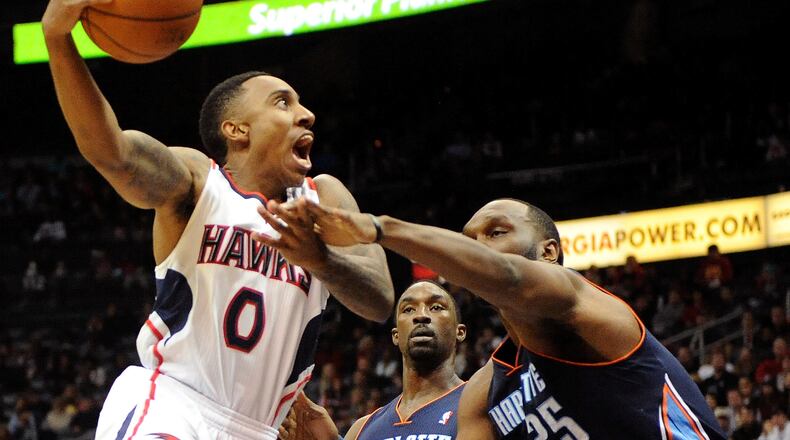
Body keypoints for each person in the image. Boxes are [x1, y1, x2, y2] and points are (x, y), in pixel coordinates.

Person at [41, 0, 394, 438]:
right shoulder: (198, 182)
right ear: (236, 129)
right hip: (173, 405)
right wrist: (58, 39)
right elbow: (112, 153)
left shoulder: (325, 198)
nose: (306, 114)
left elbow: (379, 301)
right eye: (283, 103)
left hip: (256, 428)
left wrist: (320, 259)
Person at [290, 197, 725, 439]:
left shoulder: (587, 307)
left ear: (549, 252)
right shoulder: (487, 388)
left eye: (496, 233)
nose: (479, 245)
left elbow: (512, 278)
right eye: (470, 240)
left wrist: (378, 229)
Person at [279, 280, 467, 440]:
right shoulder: (362, 429)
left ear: (460, 331)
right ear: (396, 336)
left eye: (436, 307)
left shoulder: (480, 402)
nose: (421, 316)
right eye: (408, 309)